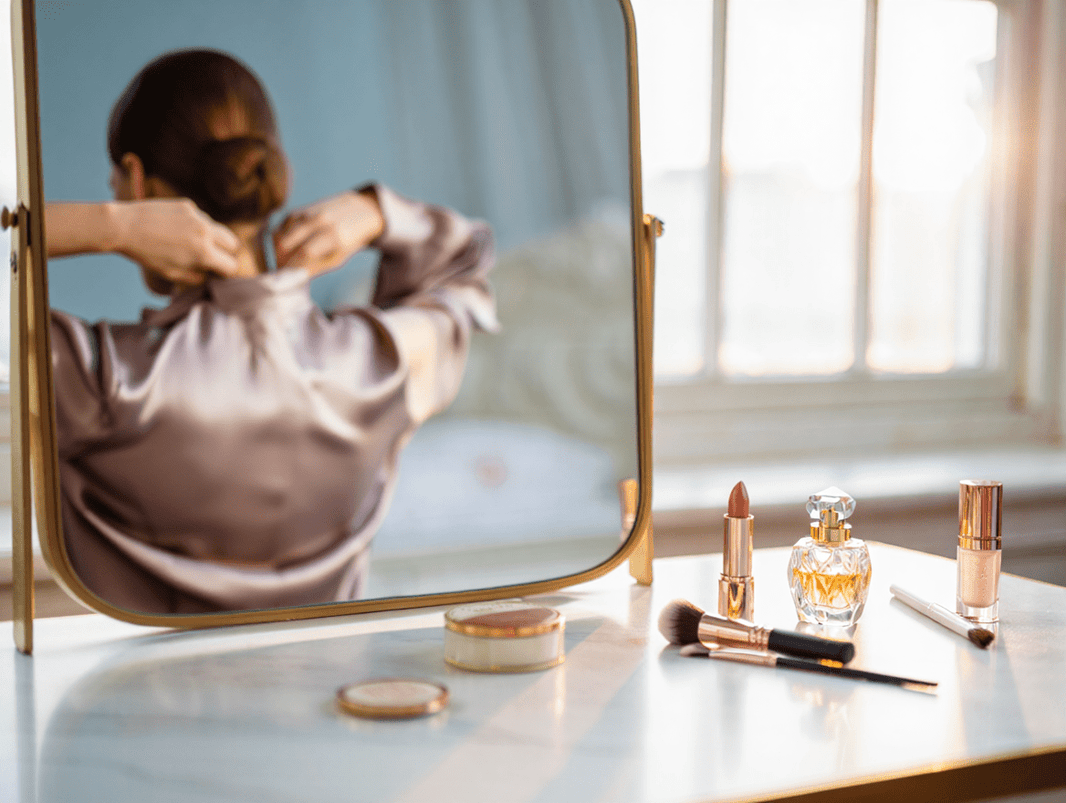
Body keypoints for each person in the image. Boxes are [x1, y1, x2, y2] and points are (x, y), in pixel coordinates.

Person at [45, 48, 498, 614]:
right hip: (332, 674)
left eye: (115, 191)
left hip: (146, 677)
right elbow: (466, 262)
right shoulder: (380, 364)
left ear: (135, 183)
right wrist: (377, 212)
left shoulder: (98, 379)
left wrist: (108, 227)